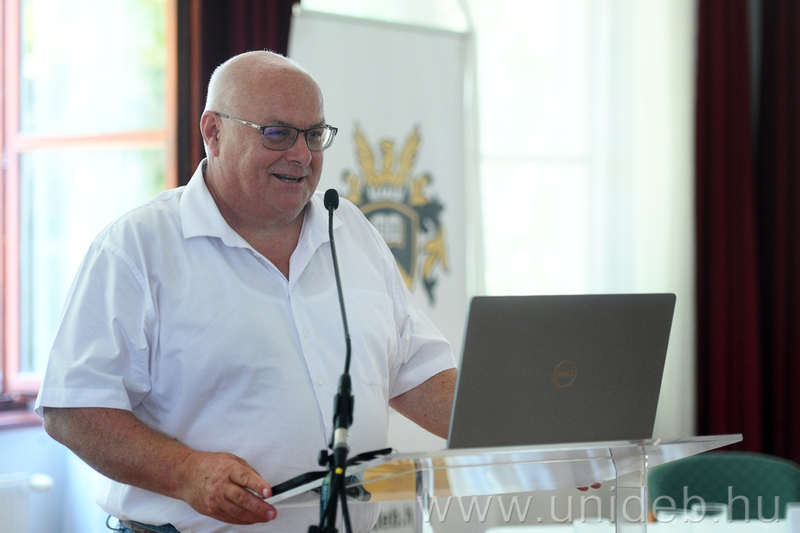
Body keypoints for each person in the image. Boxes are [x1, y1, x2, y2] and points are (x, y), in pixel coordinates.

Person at [35, 50, 457, 533]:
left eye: (314, 135)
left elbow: (418, 374)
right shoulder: (138, 247)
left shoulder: (351, 231)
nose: (301, 155)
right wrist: (185, 472)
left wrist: (527, 434)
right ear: (213, 132)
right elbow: (74, 408)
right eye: (277, 133)